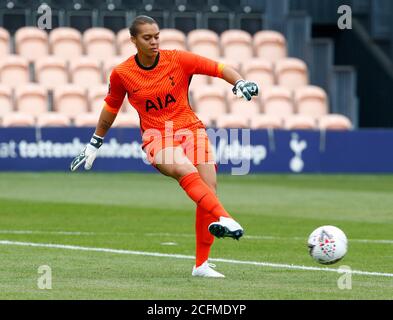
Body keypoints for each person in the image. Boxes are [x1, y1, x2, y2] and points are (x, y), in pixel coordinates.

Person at [70, 15, 259, 278]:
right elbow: (111, 107)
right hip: (157, 136)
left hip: (191, 129)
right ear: (133, 40)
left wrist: (240, 82)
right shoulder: (123, 73)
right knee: (183, 169)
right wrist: (95, 142)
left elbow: (218, 67)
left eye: (156, 36)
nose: (154, 41)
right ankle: (225, 217)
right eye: (147, 37)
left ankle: (201, 265)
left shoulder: (177, 59)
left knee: (209, 187)